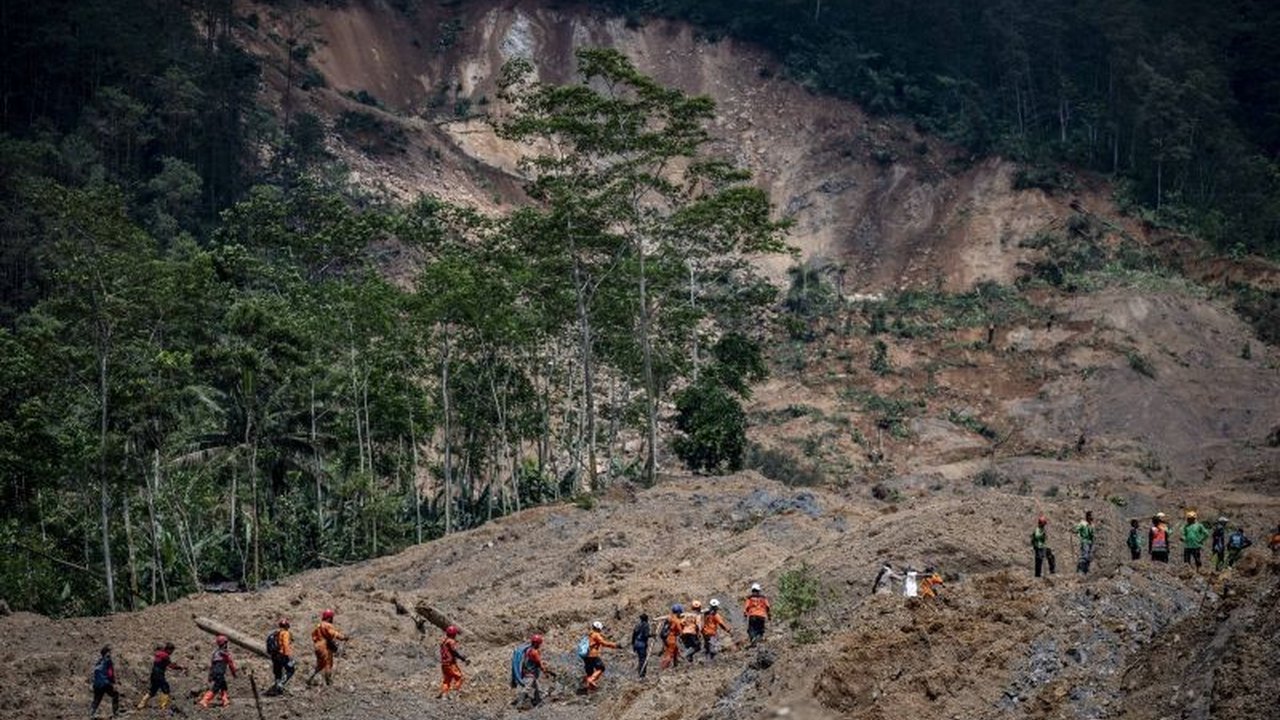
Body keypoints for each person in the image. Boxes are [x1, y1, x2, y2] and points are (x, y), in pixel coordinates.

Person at [136, 642, 185, 712]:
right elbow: (171, 665)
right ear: (169, 649)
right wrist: (180, 667)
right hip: (159, 674)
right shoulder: (165, 656)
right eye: (171, 651)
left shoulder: (159, 654)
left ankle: (141, 704)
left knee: (153, 690)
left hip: (153, 674)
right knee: (166, 689)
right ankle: (163, 707)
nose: (171, 653)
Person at [306, 609, 348, 687]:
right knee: (328, 664)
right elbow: (333, 633)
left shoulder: (318, 625)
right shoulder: (327, 625)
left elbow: (313, 636)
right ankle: (328, 683)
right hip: (324, 647)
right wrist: (343, 637)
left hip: (317, 647)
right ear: (329, 618)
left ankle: (309, 678)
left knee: (320, 665)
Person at [513, 633, 553, 706]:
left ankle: (538, 701)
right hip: (530, 674)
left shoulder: (528, 650)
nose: (540, 645)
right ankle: (520, 703)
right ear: (537, 643)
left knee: (537, 688)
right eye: (539, 644)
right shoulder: (534, 652)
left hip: (527, 672)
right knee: (527, 688)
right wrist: (545, 671)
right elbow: (539, 663)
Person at [197, 635, 237, 708]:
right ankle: (204, 700)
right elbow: (230, 663)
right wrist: (234, 673)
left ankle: (225, 700)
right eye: (226, 643)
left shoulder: (215, 653)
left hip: (215, 672)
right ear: (224, 643)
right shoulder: (224, 653)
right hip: (219, 672)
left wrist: (210, 675)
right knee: (216, 687)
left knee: (223, 685)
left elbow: (212, 664)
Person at [583, 621, 618, 692]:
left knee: (589, 672)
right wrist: (615, 645)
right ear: (598, 628)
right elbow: (604, 643)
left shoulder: (589, 634)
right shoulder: (596, 635)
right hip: (593, 655)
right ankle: (591, 680)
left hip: (586, 656)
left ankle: (589, 689)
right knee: (601, 668)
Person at [265, 617, 295, 695]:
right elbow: (285, 645)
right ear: (287, 626)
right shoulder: (285, 633)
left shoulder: (275, 633)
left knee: (278, 672)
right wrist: (288, 655)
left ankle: (277, 689)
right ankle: (280, 684)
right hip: (282, 655)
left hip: (274, 655)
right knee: (291, 669)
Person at [90, 645, 121, 719]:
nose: (110, 653)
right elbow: (110, 673)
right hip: (105, 683)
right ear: (107, 652)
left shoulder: (98, 661)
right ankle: (115, 713)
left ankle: (91, 714)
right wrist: (113, 682)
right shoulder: (108, 660)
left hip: (97, 684)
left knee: (97, 699)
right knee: (115, 694)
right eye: (109, 651)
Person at [437, 625, 468, 698]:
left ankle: (444, 694)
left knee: (447, 680)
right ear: (454, 634)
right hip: (450, 663)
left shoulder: (443, 641)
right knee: (459, 677)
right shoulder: (451, 641)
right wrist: (462, 658)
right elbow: (454, 652)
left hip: (444, 664)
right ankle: (454, 692)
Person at [660, 605, 682, 669]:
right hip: (671, 638)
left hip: (666, 638)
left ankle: (676, 665)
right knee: (669, 654)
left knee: (675, 650)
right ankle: (664, 667)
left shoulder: (669, 618)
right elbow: (680, 631)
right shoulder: (676, 620)